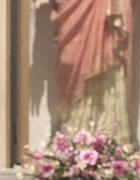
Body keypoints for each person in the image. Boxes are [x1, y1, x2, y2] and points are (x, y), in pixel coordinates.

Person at [46, 0, 132, 142]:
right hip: (73, 8)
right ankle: (74, 133)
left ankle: (107, 134)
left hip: (104, 7)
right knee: (71, 61)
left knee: (109, 56)